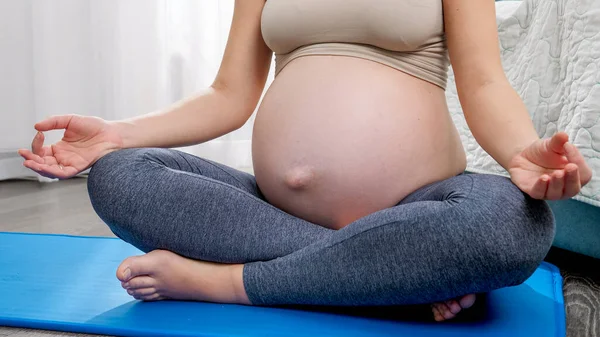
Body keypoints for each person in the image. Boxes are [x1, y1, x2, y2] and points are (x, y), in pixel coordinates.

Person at [18, 0, 592, 322]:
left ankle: (226, 284)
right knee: (121, 175)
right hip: (276, 210)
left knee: (510, 226)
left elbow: (485, 81)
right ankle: (393, 278)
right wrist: (118, 133)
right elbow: (228, 94)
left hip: (418, 201)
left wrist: (521, 152)